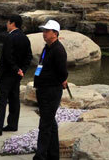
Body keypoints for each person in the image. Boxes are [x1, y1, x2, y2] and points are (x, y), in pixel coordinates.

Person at [0, 15, 32, 138]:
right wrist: (22, 71)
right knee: (14, 99)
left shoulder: (10, 37)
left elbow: (7, 57)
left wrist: (16, 69)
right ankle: (12, 124)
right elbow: (29, 57)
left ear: (12, 23)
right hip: (17, 76)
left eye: (8, 22)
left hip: (7, 75)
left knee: (1, 102)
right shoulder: (25, 38)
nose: (6, 24)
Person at [34, 20, 68, 160]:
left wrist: (62, 80)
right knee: (50, 123)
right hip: (43, 89)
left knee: (45, 125)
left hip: (51, 91)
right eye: (44, 31)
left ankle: (40, 156)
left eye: (47, 31)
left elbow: (63, 72)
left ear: (55, 33)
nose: (44, 33)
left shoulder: (58, 50)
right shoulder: (47, 48)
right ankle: (53, 155)